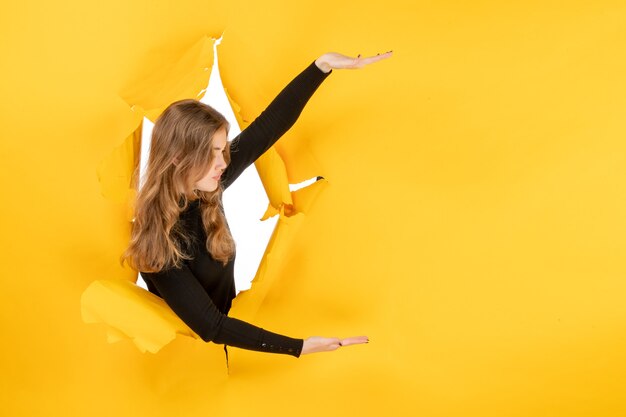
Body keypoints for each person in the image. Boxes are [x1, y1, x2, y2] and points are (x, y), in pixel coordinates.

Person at [121, 51, 392, 357]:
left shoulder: (207, 187)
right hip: (191, 365)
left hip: (234, 347)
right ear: (177, 157)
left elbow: (266, 129)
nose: (222, 163)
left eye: (223, 150)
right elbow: (212, 327)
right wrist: (299, 347)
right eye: (211, 153)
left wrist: (321, 66)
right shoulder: (155, 241)